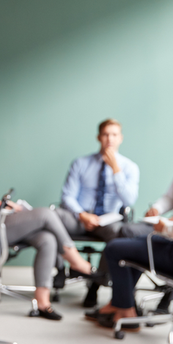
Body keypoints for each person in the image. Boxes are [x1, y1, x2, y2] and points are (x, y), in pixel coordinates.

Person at [0, 121, 94, 320]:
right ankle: (75, 260)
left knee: (47, 238)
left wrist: (8, 206)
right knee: (45, 214)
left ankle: (43, 302)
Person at [89, 125, 173, 330]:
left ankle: (125, 309)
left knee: (115, 248)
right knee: (133, 244)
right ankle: (120, 304)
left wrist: (164, 227)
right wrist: (162, 214)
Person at [57, 118, 140, 308]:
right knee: (53, 220)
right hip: (80, 216)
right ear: (98, 137)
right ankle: (61, 273)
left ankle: (95, 283)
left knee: (119, 234)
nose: (109, 139)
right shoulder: (81, 163)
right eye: (105, 134)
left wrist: (116, 170)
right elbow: (67, 196)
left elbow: (129, 200)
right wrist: (82, 214)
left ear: (121, 138)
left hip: (108, 220)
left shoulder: (129, 167)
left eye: (114, 135)